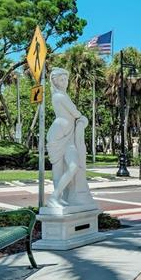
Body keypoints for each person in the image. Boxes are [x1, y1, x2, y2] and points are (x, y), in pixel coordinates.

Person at [46, 67, 92, 207]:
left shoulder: (64, 95)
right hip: (57, 135)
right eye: (62, 79)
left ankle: (55, 196)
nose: (65, 82)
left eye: (66, 79)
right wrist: (83, 119)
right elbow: (76, 113)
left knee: (73, 166)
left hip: (69, 136)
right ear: (55, 81)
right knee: (58, 168)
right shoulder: (59, 96)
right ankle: (56, 198)